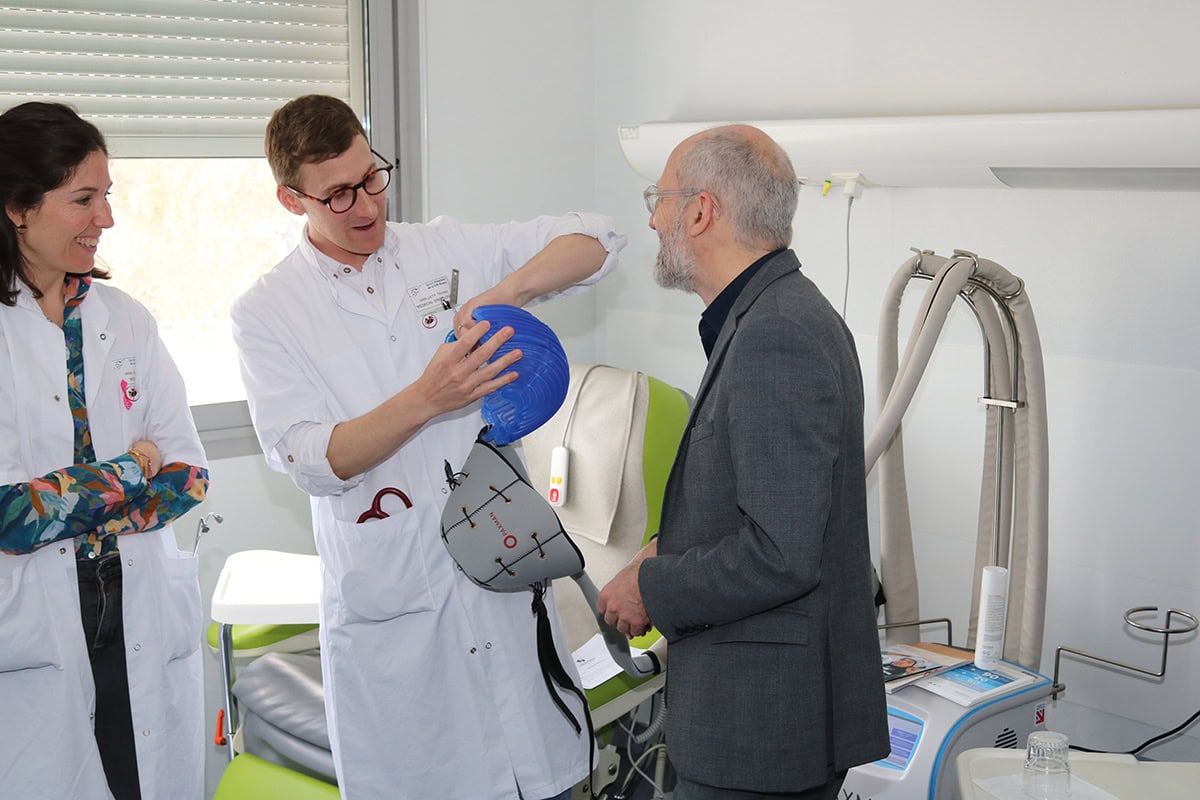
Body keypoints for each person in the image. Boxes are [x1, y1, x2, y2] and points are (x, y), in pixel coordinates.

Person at [230, 93, 626, 800]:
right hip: (395, 614)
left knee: (546, 778)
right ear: (293, 200)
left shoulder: (443, 251)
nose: (365, 206)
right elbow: (312, 458)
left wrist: (504, 294)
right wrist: (428, 397)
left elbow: (597, 239)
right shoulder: (267, 312)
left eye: (372, 176)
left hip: (499, 577)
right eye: (338, 194)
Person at [597, 124, 889, 800]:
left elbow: (782, 553)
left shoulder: (776, 333)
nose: (651, 217)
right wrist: (661, 547)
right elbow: (761, 498)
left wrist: (654, 586)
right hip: (764, 720)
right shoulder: (767, 316)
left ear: (701, 211)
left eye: (659, 198)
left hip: (760, 731)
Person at [0, 102, 210, 800]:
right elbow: (13, 516)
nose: (106, 219)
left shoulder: (125, 320)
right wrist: (131, 466)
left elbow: (189, 475)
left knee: (138, 779)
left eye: (107, 196)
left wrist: (79, 497)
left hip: (137, 598)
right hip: (34, 621)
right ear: (16, 208)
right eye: (83, 199)